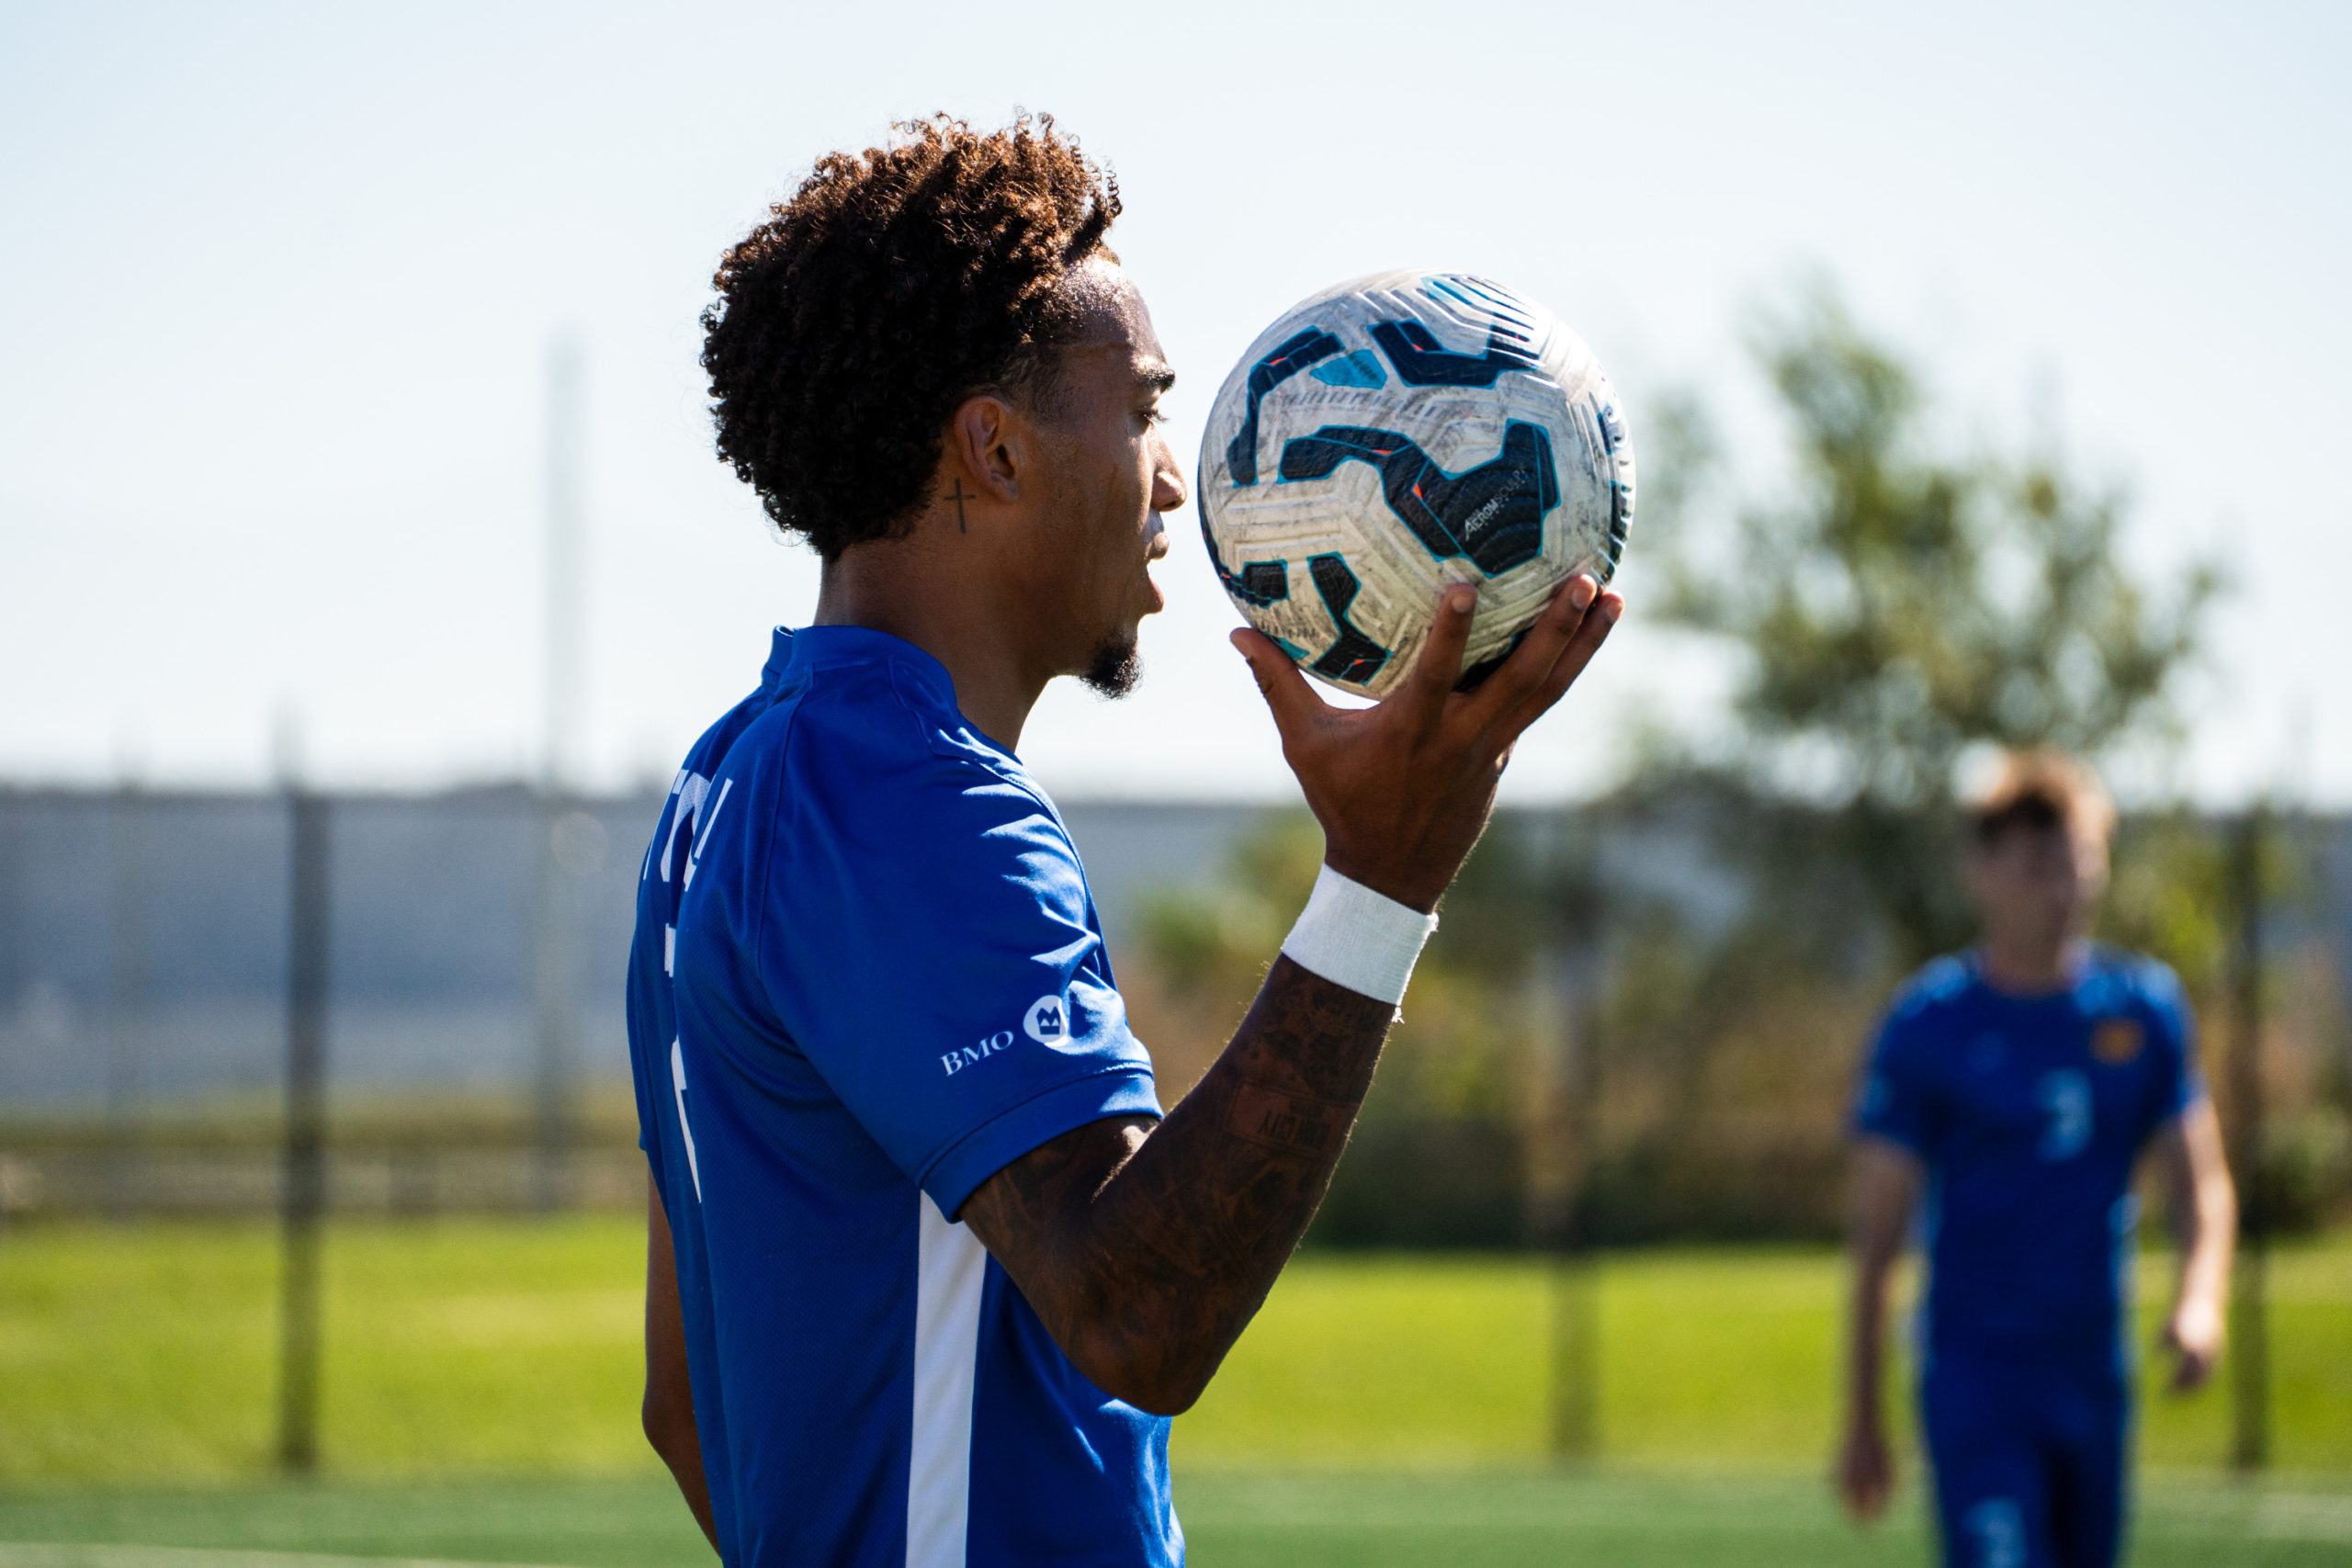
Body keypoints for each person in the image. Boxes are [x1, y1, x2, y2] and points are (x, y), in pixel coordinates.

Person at [622, 114, 1623, 1567]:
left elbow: (687, 1403)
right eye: (1145, 407)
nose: (1171, 479)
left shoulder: (729, 778)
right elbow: (1138, 1311)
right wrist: (1381, 882)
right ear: (995, 447)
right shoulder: (902, 797)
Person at [1836, 750, 2238, 1568]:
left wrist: (2201, 1299)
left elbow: (2202, 1183)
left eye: (2078, 864)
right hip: (1977, 1377)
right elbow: (1878, 1235)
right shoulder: (1929, 1023)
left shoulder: (2145, 1011)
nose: (2063, 889)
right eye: (2036, 867)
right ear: (1981, 871)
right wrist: (1864, 1414)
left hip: (2093, 1372)